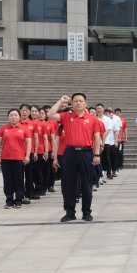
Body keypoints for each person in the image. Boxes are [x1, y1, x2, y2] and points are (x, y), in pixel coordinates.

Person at [47, 93, 102, 222]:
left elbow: (97, 137)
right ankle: (69, 212)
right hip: (70, 152)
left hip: (86, 152)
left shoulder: (93, 119)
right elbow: (50, 114)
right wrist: (60, 101)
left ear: (85, 103)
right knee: (68, 183)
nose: (78, 103)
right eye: (75, 101)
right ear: (72, 104)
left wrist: (97, 154)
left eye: (80, 101)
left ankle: (86, 212)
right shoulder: (67, 116)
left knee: (86, 183)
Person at [0, 109, 32, 208]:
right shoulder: (3, 128)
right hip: (6, 158)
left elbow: (29, 143)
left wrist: (27, 155)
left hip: (19, 159)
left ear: (19, 117)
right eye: (11, 115)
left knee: (19, 179)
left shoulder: (24, 129)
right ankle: (9, 200)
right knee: (7, 180)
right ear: (8, 117)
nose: (13, 117)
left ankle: (19, 199)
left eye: (15, 115)